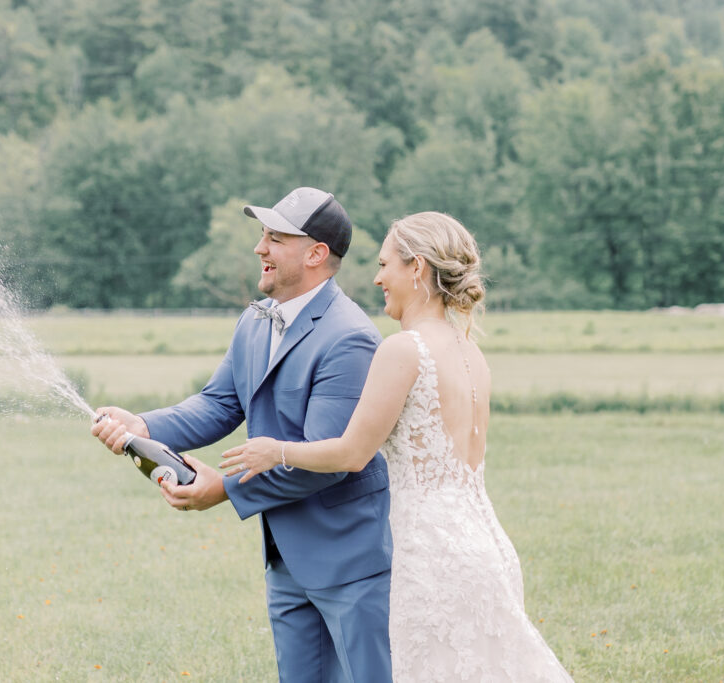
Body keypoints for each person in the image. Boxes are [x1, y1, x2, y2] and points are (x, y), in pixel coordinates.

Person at [222, 212, 574, 681]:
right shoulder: (472, 353)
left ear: (418, 268)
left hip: (425, 550)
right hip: (484, 544)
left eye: (386, 264)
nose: (377, 277)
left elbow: (351, 453)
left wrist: (276, 451)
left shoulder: (403, 350)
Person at [92, 187, 392, 682]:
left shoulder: (349, 337)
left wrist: (224, 489)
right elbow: (218, 403)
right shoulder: (253, 321)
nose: (260, 248)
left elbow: (328, 459)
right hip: (284, 556)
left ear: (316, 254)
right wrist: (143, 425)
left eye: (276, 238)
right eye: (262, 235)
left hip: (347, 557)